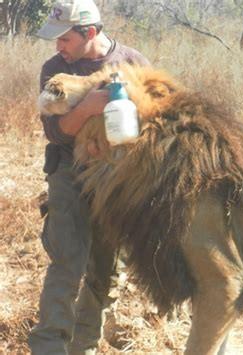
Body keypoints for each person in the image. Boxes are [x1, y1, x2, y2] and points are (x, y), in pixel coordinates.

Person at [29, 1, 150, 354]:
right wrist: (87, 109)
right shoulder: (54, 69)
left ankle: (83, 346)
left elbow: (154, 118)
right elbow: (56, 132)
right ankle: (49, 346)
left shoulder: (132, 62)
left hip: (117, 178)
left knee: (104, 269)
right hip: (70, 172)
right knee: (67, 260)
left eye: (64, 39)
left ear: (91, 33)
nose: (58, 47)